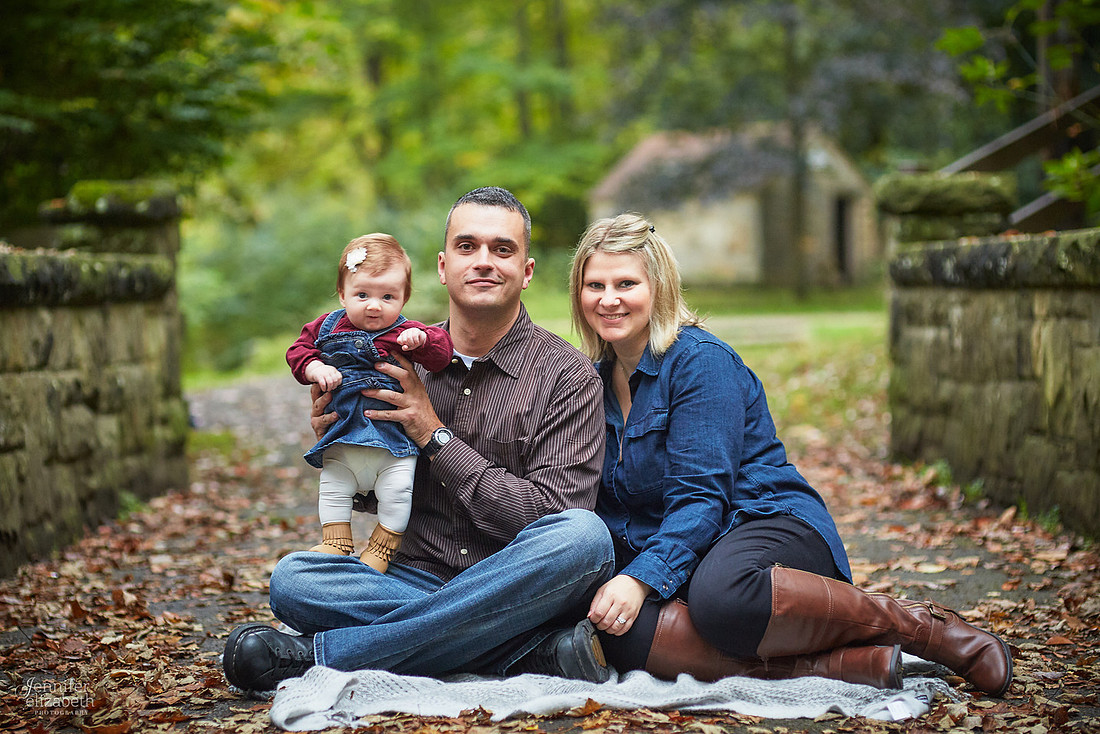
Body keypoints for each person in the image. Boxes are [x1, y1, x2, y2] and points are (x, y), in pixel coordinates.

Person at [570, 213, 1013, 696]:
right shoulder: (592, 381)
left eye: (626, 283)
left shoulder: (700, 362)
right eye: (595, 285)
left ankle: (922, 628)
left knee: (722, 597)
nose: (608, 299)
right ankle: (843, 667)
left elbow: (702, 498)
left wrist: (640, 579)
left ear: (659, 288)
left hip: (761, 523)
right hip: (689, 547)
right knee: (614, 626)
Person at [223, 187, 615, 692]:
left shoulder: (567, 375)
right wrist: (345, 448)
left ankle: (323, 655)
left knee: (583, 537)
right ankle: (521, 648)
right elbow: (378, 493)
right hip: (412, 578)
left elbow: (550, 515)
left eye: (502, 249)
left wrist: (434, 435)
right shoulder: (388, 357)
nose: (483, 261)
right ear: (443, 266)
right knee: (294, 580)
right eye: (467, 246)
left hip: (513, 576)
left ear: (527, 271)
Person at [286, 233, 453, 573]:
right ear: (342, 293)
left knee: (398, 492)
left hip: (393, 445)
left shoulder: (404, 332)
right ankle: (336, 540)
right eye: (362, 295)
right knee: (332, 487)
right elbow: (298, 351)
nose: (374, 305)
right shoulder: (325, 327)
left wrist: (422, 340)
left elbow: (441, 355)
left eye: (388, 296)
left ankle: (382, 547)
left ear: (404, 299)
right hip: (342, 436)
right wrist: (315, 367)